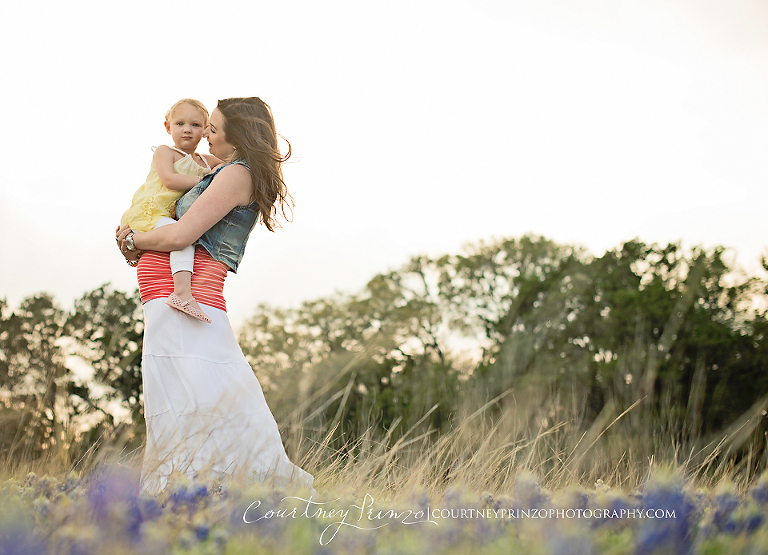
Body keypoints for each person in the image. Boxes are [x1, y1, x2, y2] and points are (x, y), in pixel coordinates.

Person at [116, 97, 314, 493]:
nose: (205, 135)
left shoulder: (236, 175)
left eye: (213, 129)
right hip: (166, 299)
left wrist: (133, 238)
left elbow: (180, 235)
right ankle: (183, 493)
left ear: (237, 137)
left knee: (210, 393)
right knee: (179, 398)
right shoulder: (225, 171)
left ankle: (237, 489)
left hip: (188, 301)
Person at [120, 98, 221, 324]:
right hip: (150, 211)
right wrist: (204, 179)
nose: (187, 129)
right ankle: (182, 293)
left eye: (195, 125)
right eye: (180, 124)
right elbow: (170, 179)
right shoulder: (166, 151)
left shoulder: (207, 160)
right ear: (168, 127)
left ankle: (180, 290)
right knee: (183, 237)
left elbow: (233, 164)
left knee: (182, 234)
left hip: (166, 215)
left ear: (205, 130)